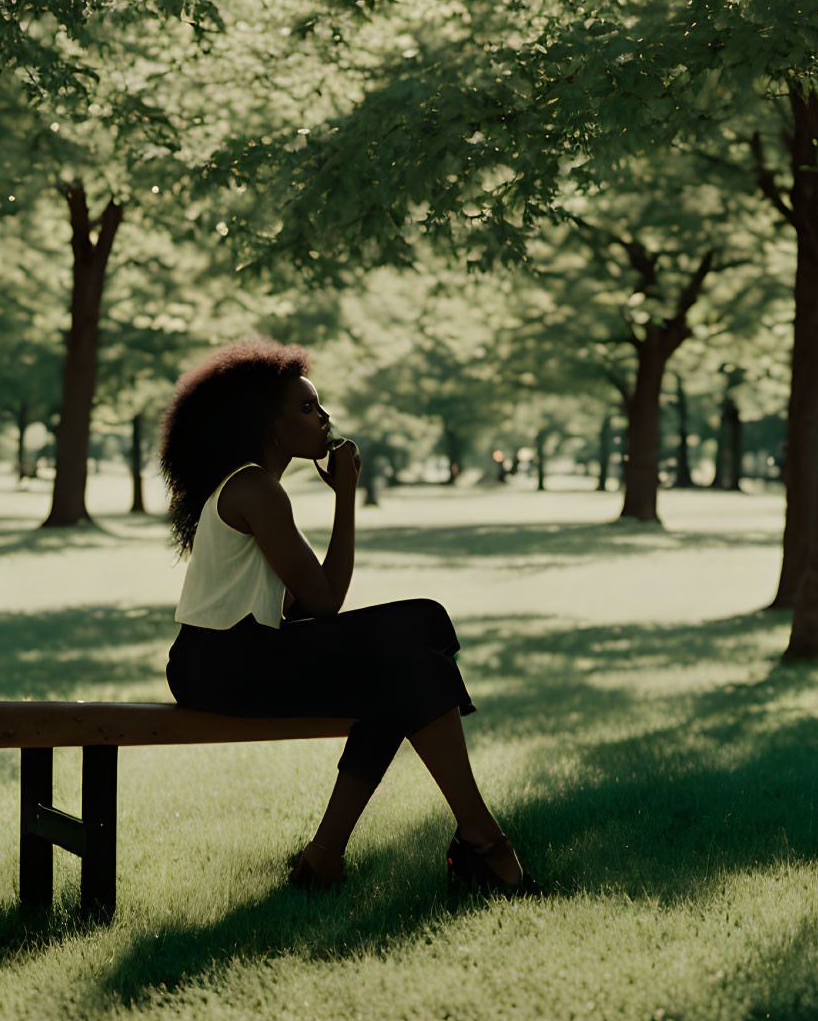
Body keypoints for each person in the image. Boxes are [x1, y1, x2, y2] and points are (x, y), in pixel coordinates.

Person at [158, 338, 538, 897]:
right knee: (424, 625)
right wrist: (347, 496)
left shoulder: (257, 487)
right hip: (222, 665)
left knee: (409, 676)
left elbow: (316, 598)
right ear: (269, 424)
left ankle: (326, 859)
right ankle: (483, 845)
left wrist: (344, 496)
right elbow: (326, 602)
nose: (325, 417)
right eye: (307, 408)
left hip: (241, 657)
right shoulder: (255, 487)